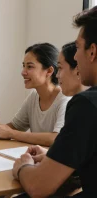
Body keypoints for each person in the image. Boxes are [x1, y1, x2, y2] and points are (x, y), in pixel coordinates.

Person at [12, 6, 97, 197]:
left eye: (77, 48)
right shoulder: (35, 97)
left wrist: (22, 167)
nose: (75, 57)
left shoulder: (85, 105)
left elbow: (37, 186)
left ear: (92, 51)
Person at [0, 43, 71, 146]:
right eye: (24, 66)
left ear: (49, 71)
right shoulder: (34, 96)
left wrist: (12, 134)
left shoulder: (64, 99)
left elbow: (56, 138)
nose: (23, 72)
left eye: (30, 67)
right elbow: (14, 127)